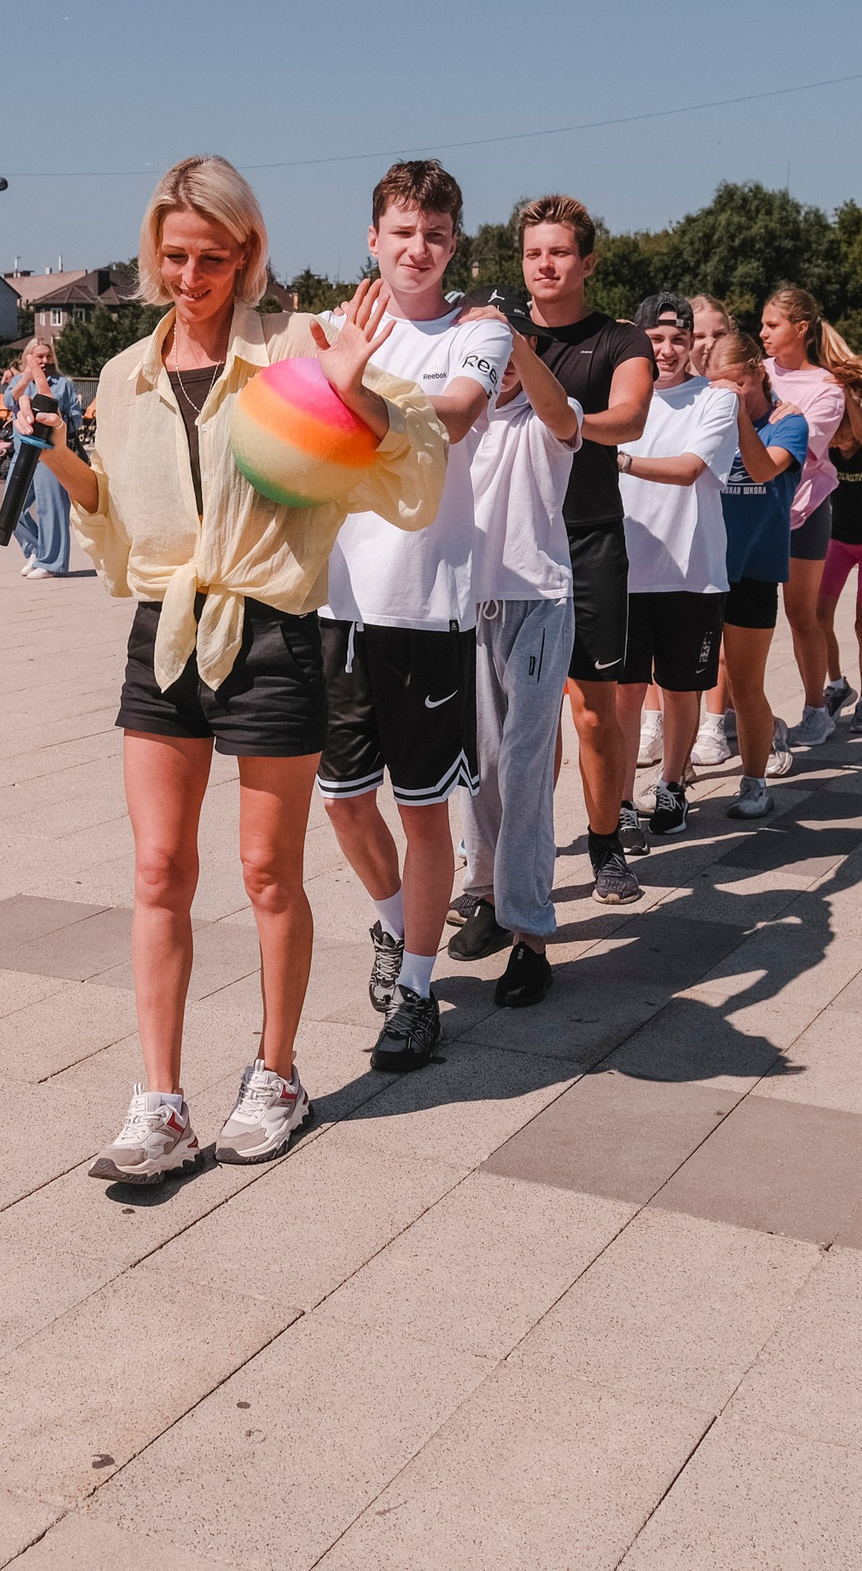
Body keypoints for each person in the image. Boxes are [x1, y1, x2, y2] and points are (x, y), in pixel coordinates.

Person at [32, 156, 445, 1185]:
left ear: (247, 252)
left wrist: (356, 399)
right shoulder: (127, 373)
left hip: (269, 632)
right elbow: (124, 529)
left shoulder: (302, 346)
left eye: (211, 256)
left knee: (267, 873)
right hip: (166, 637)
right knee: (159, 871)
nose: (190, 275)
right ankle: (161, 1102)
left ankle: (277, 1074)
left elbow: (420, 460)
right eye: (173, 256)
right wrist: (60, 459)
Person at [311, 162, 509, 1075]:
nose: (417, 248)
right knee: (346, 804)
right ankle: (396, 927)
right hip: (333, 602)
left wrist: (358, 386)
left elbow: (460, 416)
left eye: (435, 234)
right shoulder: (327, 332)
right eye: (402, 231)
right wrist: (335, 369)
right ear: (373, 238)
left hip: (427, 606)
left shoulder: (480, 332)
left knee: (424, 811)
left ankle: (420, 993)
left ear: (453, 243)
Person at [510, 195, 654, 904]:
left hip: (590, 537)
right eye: (535, 252)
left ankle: (606, 846)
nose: (545, 264)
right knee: (518, 716)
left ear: (587, 261)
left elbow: (629, 420)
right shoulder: (496, 330)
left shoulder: (621, 340)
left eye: (559, 252)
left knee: (594, 709)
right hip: (510, 539)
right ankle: (511, 858)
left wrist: (565, 418)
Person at [446, 340, 581, 1005]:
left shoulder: (545, 414)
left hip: (538, 601)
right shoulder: (454, 419)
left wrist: (513, 340)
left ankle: (532, 938)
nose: (496, 373)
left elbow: (563, 417)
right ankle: (490, 898)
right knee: (479, 764)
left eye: (505, 358)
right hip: (469, 602)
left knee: (525, 768)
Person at [618, 294, 730, 838]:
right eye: (656, 339)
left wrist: (618, 458)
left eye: (678, 339)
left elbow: (689, 470)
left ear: (693, 343)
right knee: (624, 693)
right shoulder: (616, 398)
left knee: (682, 688)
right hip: (623, 570)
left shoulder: (715, 400)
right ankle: (617, 798)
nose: (667, 350)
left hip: (692, 570)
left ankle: (671, 786)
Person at [762, 286, 862, 752]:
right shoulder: (757, 372)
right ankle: (724, 716)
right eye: (763, 324)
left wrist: (770, 424)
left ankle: (815, 710)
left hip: (804, 512)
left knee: (800, 615)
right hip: (754, 508)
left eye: (772, 324)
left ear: (800, 328)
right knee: (739, 617)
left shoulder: (826, 388)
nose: (763, 333)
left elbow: (796, 456)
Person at [705, 332, 809, 816]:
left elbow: (764, 470)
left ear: (759, 374)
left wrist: (738, 416)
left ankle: (754, 781)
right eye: (718, 386)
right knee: (687, 681)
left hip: (755, 568)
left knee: (746, 683)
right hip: (703, 567)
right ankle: (674, 779)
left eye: (739, 384)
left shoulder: (788, 424)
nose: (729, 394)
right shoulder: (708, 415)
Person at [816, 389, 862, 735]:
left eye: (848, 425)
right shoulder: (828, 452)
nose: (842, 433)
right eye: (838, 425)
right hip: (839, 540)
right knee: (819, 616)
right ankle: (838, 684)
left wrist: (846, 393)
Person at [4, 337, 84, 579]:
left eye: (48, 356)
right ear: (29, 357)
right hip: (23, 451)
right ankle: (37, 548)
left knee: (52, 509)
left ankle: (51, 563)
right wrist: (27, 377)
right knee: (11, 508)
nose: (45, 361)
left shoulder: (63, 384)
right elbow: (9, 401)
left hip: (51, 452)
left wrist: (57, 420)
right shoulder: (20, 381)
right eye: (39, 357)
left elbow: (76, 418)